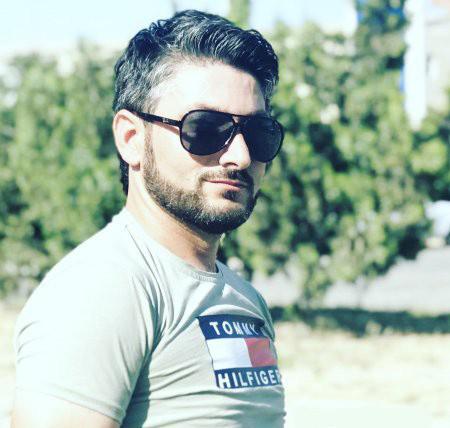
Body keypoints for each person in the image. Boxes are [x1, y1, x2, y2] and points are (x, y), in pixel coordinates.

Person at [12, 9, 285, 428]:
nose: (241, 156)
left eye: (258, 133)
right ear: (131, 139)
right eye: (206, 129)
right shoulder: (102, 289)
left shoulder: (243, 298)